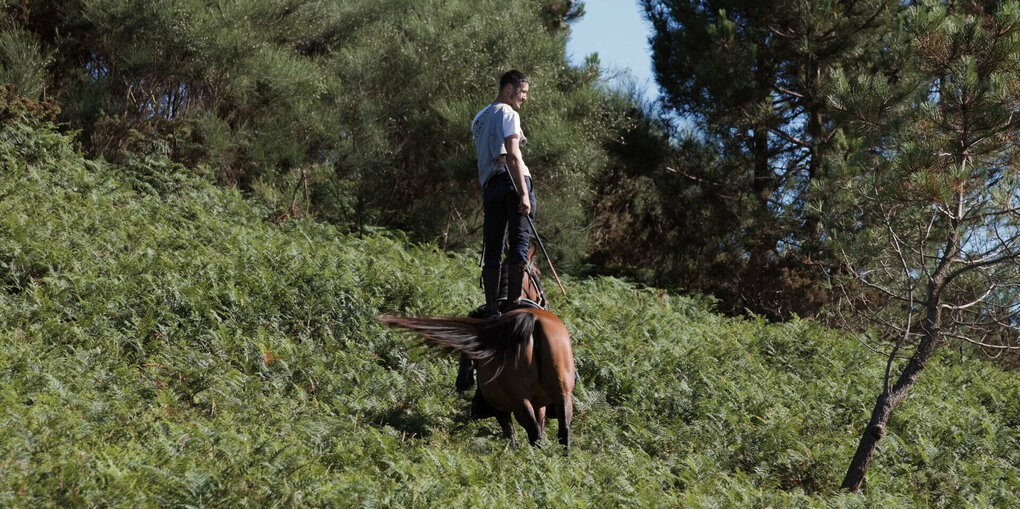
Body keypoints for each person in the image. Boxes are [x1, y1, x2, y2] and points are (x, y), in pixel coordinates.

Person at [470, 70, 535, 318]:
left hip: (490, 187)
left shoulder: (478, 118)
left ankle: (493, 307)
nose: (524, 98)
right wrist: (524, 193)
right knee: (519, 242)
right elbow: (513, 154)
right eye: (523, 92)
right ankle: (513, 303)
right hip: (512, 182)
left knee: (493, 248)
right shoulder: (509, 113)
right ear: (509, 89)